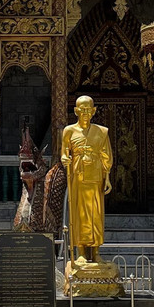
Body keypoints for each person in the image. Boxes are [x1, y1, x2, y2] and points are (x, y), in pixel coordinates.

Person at [61, 96, 113, 266]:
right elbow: (64, 153)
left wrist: (107, 178)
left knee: (96, 215)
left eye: (88, 110)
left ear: (93, 111)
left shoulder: (101, 132)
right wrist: (65, 159)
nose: (85, 113)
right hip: (78, 177)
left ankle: (96, 252)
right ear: (76, 111)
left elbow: (106, 156)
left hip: (96, 176)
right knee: (80, 215)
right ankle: (82, 252)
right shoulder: (69, 131)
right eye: (82, 110)